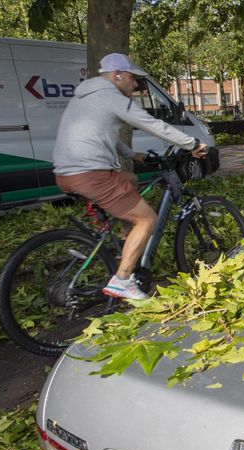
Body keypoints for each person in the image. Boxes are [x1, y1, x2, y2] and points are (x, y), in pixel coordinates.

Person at [53, 53, 207, 300]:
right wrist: (192, 143)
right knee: (147, 219)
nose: (135, 85)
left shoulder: (85, 95)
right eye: (133, 79)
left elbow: (103, 133)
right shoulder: (110, 96)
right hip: (91, 174)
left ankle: (125, 239)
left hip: (66, 173)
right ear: (118, 75)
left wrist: (132, 155)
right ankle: (122, 279)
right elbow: (152, 124)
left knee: (130, 180)